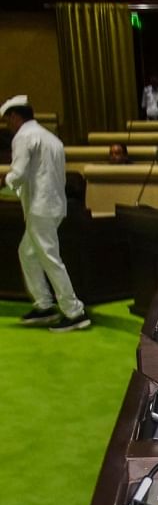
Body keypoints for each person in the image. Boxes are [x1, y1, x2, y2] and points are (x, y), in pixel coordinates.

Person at [2, 96, 89, 332]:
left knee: (49, 258)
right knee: (28, 253)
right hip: (54, 205)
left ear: (15, 117)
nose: (7, 124)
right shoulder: (51, 138)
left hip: (40, 207)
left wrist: (4, 180)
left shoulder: (23, 137)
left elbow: (18, 173)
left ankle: (74, 311)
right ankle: (44, 305)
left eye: (7, 119)